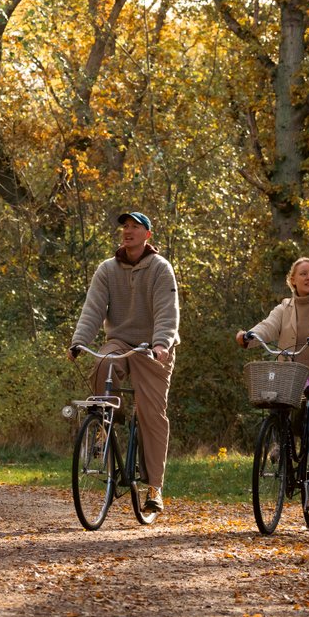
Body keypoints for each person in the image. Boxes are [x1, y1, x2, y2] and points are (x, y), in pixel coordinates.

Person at [69, 211, 180, 512]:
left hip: (152, 346)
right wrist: (79, 342)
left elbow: (167, 312)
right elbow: (92, 310)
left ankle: (154, 487)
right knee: (104, 362)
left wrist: (161, 344)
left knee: (151, 413)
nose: (128, 231)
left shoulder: (160, 268)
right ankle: (105, 424)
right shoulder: (107, 269)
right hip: (119, 340)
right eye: (125, 227)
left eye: (135, 227)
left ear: (148, 235)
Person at [235, 257, 309, 512]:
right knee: (274, 404)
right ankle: (279, 441)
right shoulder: (284, 308)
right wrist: (249, 336)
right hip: (293, 372)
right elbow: (267, 327)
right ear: (293, 280)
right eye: (304, 274)